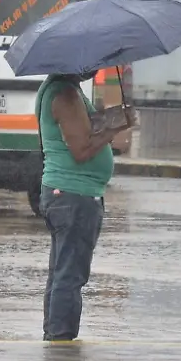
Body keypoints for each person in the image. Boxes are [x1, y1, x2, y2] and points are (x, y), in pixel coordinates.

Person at [36, 71, 135, 341]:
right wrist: (116, 128)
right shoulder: (65, 95)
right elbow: (81, 149)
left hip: (69, 193)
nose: (93, 67)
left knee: (61, 273)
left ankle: (55, 335)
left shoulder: (67, 90)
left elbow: (84, 127)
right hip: (74, 195)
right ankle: (61, 338)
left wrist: (114, 117)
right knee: (69, 276)